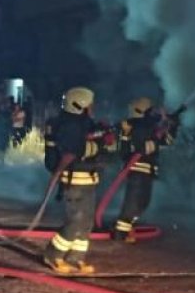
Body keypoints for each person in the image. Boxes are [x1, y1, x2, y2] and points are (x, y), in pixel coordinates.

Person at [42, 86, 109, 274]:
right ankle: (52, 255)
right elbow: (74, 152)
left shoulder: (82, 123)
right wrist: (99, 146)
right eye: (90, 103)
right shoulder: (70, 125)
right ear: (80, 104)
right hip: (75, 181)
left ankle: (75, 258)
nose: (93, 107)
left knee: (86, 223)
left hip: (87, 180)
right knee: (75, 221)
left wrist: (103, 135)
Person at [112, 97, 180, 244]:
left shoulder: (147, 127)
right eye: (150, 111)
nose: (152, 114)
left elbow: (167, 141)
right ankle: (120, 232)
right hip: (136, 170)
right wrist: (162, 125)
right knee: (133, 203)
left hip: (146, 170)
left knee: (143, 202)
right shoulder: (136, 126)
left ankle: (126, 226)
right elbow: (145, 147)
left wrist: (172, 125)